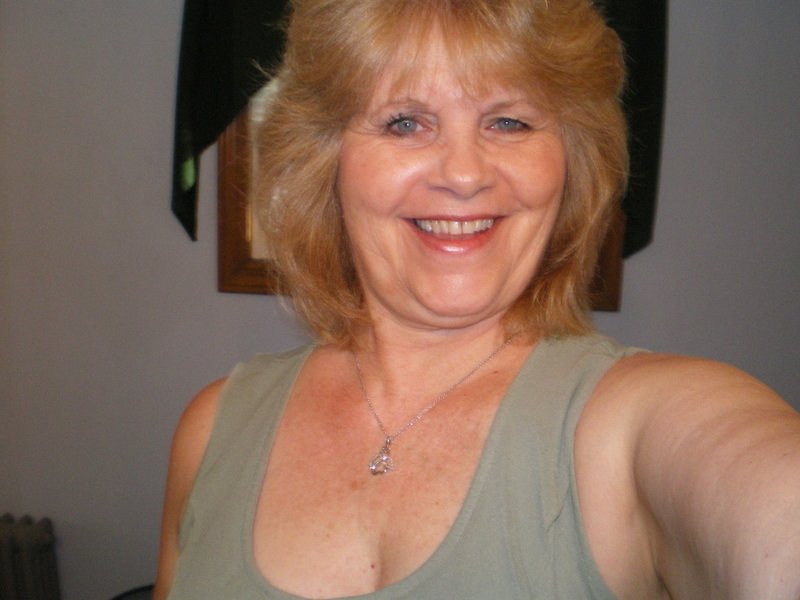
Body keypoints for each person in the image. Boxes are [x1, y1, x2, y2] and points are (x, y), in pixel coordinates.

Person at [154, 1, 800, 598]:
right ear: (327, 160)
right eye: (405, 122)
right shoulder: (211, 430)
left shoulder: (636, 421)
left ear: (571, 161)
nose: (464, 174)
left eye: (509, 121)